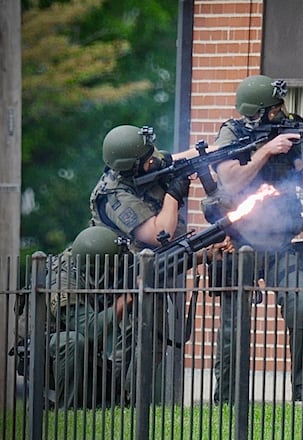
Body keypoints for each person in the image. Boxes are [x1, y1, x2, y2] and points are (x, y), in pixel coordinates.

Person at [208, 74, 303, 403]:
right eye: (275, 109)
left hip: (282, 243)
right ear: (256, 113)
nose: (282, 112)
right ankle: (226, 397)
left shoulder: (293, 128)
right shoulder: (232, 132)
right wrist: (265, 151)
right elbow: (230, 180)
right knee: (234, 325)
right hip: (240, 244)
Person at [88, 124, 200, 403]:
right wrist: (175, 193)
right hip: (126, 276)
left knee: (141, 343)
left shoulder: (143, 162)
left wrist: (205, 157)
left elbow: (172, 159)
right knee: (145, 340)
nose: (154, 160)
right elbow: (159, 235)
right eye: (148, 159)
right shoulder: (114, 197)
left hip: (149, 272)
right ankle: (130, 402)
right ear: (132, 167)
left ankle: (120, 400)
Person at [46, 225, 132, 408]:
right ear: (97, 266)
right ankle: (67, 411)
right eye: (111, 267)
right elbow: (90, 330)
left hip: (81, 348)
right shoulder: (64, 279)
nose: (115, 271)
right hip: (46, 346)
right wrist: (123, 301)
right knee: (72, 340)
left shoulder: (85, 266)